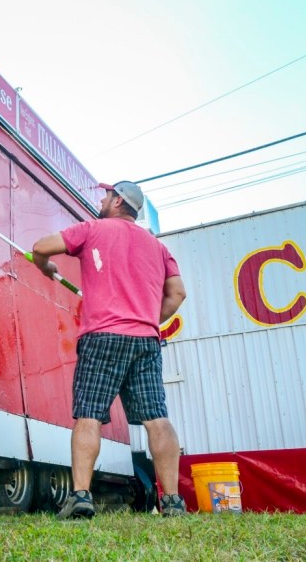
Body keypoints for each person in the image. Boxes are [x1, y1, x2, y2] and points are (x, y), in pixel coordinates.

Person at [32, 180, 187, 519]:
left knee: (89, 414)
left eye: (106, 194)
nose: (101, 199)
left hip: (103, 336)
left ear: (117, 200)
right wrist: (147, 318)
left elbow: (40, 247)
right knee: (156, 418)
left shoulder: (93, 229)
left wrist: (46, 268)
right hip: (145, 341)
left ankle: (82, 496)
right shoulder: (157, 246)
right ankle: (173, 502)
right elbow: (177, 293)